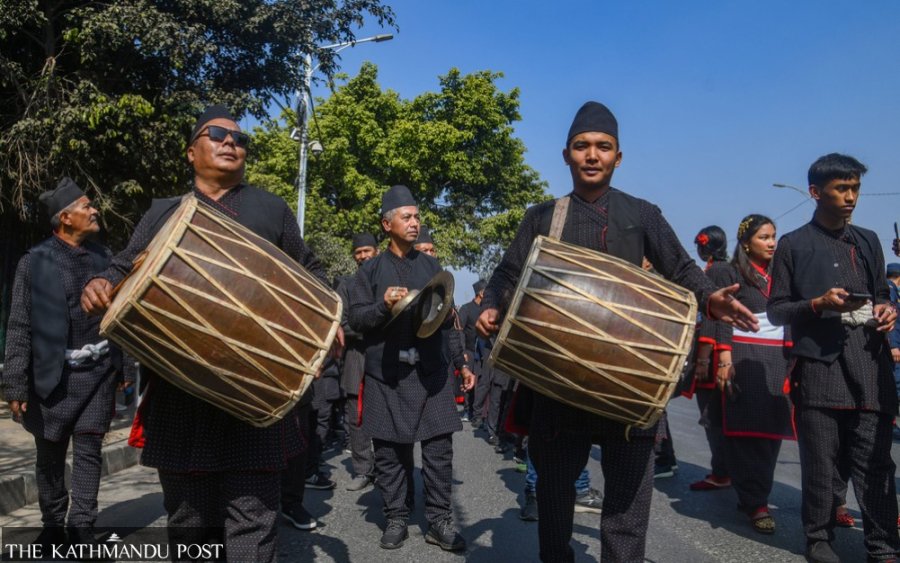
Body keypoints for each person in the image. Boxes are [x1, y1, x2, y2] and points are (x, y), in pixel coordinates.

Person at [476, 101, 758, 562]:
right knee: (554, 498)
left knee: (626, 508)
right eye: (582, 146)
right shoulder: (543, 216)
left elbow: (682, 267)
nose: (592, 155)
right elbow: (506, 275)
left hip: (629, 386)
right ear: (565, 155)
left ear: (618, 157)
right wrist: (490, 306)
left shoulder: (642, 214)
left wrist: (710, 297)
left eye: (603, 147)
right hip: (558, 381)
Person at [80, 105, 333, 561]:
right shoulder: (162, 212)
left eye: (239, 138)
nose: (231, 142)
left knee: (253, 520)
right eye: (216, 134)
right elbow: (122, 265)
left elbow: (310, 270)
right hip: (182, 393)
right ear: (190, 152)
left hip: (257, 392)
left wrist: (330, 324)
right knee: (189, 524)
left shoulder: (269, 209)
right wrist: (101, 284)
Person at [767, 153, 899, 563]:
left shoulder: (868, 240)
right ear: (815, 192)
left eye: (855, 188)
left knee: (875, 464)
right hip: (820, 369)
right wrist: (817, 304)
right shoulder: (793, 244)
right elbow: (776, 310)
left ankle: (883, 547)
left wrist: (886, 309)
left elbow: (880, 292)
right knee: (821, 465)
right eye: (842, 189)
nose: (851, 197)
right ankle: (818, 540)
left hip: (870, 366)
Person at [2, 178, 135, 548]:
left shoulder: (104, 259)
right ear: (65, 218)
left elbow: (117, 320)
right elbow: (19, 325)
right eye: (86, 206)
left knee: (90, 449)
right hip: (50, 377)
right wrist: (15, 383)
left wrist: (123, 368)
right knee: (49, 454)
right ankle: (52, 523)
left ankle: (81, 525)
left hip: (97, 375)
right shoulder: (34, 262)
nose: (94, 211)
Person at [348, 185, 476, 551]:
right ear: (386, 224)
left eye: (417, 216)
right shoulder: (369, 272)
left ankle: (438, 520)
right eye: (407, 217)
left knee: (439, 451)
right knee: (390, 453)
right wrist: (381, 308)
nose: (415, 222)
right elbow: (355, 319)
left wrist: (461, 363)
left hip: (431, 374)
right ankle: (397, 516)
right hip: (387, 376)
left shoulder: (431, 266)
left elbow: (446, 319)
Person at [708, 214, 795, 534]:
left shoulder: (782, 273)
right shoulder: (731, 273)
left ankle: (756, 492)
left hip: (778, 358)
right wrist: (724, 357)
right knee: (747, 433)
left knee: (771, 432)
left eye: (774, 236)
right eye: (764, 237)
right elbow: (721, 318)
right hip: (744, 356)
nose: (772, 242)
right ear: (746, 243)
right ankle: (755, 502)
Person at [686, 226, 733, 492]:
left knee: (713, 415)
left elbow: (714, 318)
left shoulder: (716, 272)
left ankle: (722, 472)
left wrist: (703, 359)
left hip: (714, 354)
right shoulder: (722, 269)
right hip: (716, 350)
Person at [336, 233, 379, 492]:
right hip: (356, 360)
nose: (362, 256)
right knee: (356, 419)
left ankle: (388, 471)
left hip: (384, 360)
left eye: (367, 251)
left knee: (389, 417)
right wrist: (372, 327)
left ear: (377, 251)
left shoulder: (388, 281)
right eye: (358, 252)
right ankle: (363, 469)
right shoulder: (346, 285)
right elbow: (340, 322)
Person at [457, 280, 486, 423]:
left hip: (482, 352)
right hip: (468, 349)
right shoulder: (466, 309)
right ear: (481, 293)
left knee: (480, 381)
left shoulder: (486, 310)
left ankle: (478, 412)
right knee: (468, 379)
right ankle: (467, 410)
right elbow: (460, 330)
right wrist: (462, 350)